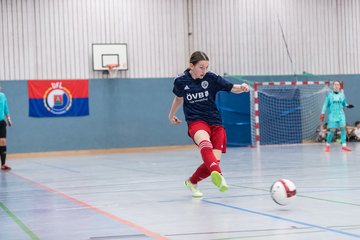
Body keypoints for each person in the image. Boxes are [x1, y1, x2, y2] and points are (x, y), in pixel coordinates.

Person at [168, 51, 249, 197]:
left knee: (213, 160)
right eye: (201, 67)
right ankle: (218, 174)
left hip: (215, 122)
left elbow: (231, 88)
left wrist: (241, 87)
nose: (204, 71)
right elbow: (179, 98)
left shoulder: (211, 78)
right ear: (191, 66)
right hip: (196, 121)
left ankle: (192, 182)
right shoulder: (181, 81)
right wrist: (171, 114)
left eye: (206, 67)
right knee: (205, 144)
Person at [320, 80, 353, 152]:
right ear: (333, 86)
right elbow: (325, 105)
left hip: (341, 115)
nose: (336, 86)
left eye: (338, 84)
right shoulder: (329, 95)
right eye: (335, 84)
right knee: (332, 131)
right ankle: (328, 145)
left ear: (339, 86)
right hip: (333, 115)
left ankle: (344, 146)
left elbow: (344, 104)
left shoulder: (342, 95)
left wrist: (348, 105)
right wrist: (322, 113)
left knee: (343, 129)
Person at [0, 88, 12, 170]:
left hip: (1, 122)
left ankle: (3, 164)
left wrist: (9, 119)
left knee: (3, 142)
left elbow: (6, 108)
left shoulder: (2, 96)